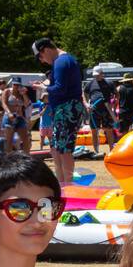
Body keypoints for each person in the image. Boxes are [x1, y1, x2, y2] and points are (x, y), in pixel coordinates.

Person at [33, 37, 82, 186]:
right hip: (63, 109)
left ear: (46, 49)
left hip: (67, 109)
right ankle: (61, 184)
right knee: (56, 149)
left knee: (64, 150)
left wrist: (43, 88)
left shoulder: (61, 62)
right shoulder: (62, 62)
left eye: (40, 56)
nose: (41, 61)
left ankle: (67, 185)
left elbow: (60, 88)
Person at [85, 71, 117, 154]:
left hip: (107, 109)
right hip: (94, 110)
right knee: (94, 131)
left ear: (102, 73)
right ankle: (96, 151)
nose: (96, 76)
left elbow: (116, 94)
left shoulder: (109, 83)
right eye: (95, 75)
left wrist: (113, 104)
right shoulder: (90, 83)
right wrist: (87, 104)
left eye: (97, 75)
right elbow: (84, 93)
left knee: (109, 130)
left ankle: (112, 150)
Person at [1, 81, 31, 153]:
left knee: (25, 139)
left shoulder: (20, 93)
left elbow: (26, 104)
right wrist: (9, 113)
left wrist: (24, 94)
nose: (16, 86)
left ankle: (27, 157)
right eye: (15, 84)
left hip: (19, 117)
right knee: (9, 140)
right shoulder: (7, 91)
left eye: (18, 85)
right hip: (9, 117)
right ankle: (8, 159)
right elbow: (4, 103)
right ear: (12, 84)